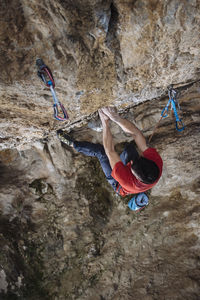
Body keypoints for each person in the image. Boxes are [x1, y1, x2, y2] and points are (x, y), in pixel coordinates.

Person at [57, 106, 163, 197]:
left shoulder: (126, 180)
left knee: (101, 152)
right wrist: (116, 118)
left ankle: (73, 144)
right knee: (131, 147)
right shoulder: (156, 162)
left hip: (118, 184)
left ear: (133, 174)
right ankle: (124, 154)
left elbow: (110, 151)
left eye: (131, 165)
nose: (131, 163)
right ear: (147, 160)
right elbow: (136, 134)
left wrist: (105, 122)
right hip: (137, 170)